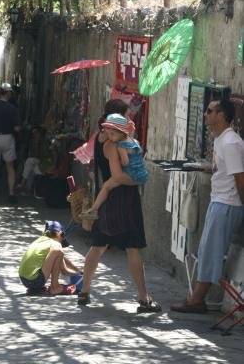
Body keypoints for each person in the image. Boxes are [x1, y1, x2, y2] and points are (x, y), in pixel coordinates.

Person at [77, 98, 161, 313]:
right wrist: (138, 180)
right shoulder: (113, 143)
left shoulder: (101, 138)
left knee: (98, 245)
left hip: (109, 198)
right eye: (125, 116)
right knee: (132, 246)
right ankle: (143, 298)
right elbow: (117, 175)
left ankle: (84, 291)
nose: (128, 119)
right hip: (122, 197)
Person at [171, 98, 244, 313]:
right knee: (206, 248)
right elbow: (226, 171)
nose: (206, 114)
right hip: (219, 200)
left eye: (210, 111)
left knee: (212, 250)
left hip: (227, 203)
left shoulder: (230, 142)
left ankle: (197, 299)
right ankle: (197, 297)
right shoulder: (222, 140)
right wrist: (207, 169)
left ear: (221, 115)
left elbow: (239, 177)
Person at [86, 113, 148, 213]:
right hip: (142, 173)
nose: (110, 137)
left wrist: (118, 162)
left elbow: (126, 162)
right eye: (109, 134)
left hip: (131, 173)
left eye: (112, 134)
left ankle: (94, 208)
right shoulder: (134, 141)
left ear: (121, 132)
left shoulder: (120, 146)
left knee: (106, 186)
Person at [18, 221, 80, 295]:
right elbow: (64, 271)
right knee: (58, 250)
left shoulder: (41, 241)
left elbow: (63, 260)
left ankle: (35, 288)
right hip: (35, 281)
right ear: (60, 234)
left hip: (24, 279)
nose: (61, 242)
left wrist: (78, 271)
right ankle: (55, 287)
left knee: (58, 252)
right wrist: (81, 274)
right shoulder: (56, 245)